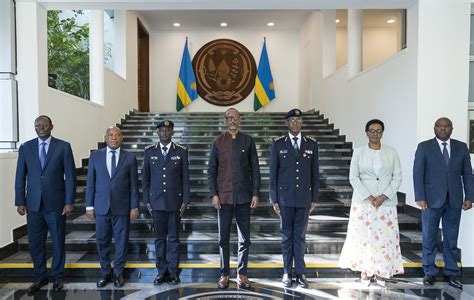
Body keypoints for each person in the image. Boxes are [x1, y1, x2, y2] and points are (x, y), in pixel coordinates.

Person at [338, 119, 404, 287]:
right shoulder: (358, 152)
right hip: (363, 203)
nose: (375, 133)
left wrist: (383, 196)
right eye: (372, 130)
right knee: (364, 237)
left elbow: (397, 177)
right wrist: (368, 196)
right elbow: (353, 177)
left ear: (383, 133)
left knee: (384, 238)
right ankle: (366, 271)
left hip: (386, 204)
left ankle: (381, 271)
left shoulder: (392, 152)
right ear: (366, 133)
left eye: (379, 130)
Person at [15, 115, 76, 293]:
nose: (41, 127)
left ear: (51, 126)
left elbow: (70, 176)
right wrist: (20, 200)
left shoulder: (63, 146)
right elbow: (20, 176)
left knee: (58, 241)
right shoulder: (26, 147)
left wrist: (69, 201)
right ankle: (40, 277)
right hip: (33, 205)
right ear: (35, 127)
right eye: (37, 125)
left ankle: (58, 277)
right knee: (35, 243)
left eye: (44, 124)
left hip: (56, 204)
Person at [413, 117, 473, 289]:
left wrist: (470, 196)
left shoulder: (461, 147)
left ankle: (452, 272)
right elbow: (418, 173)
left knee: (451, 239)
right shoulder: (424, 147)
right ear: (434, 128)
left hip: (454, 201)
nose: (442, 129)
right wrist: (420, 196)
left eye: (446, 126)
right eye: (439, 126)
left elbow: (468, 174)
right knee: (429, 237)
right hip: (430, 201)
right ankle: (429, 272)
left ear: (451, 129)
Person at [208, 108, 261, 289]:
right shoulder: (217, 142)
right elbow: (211, 171)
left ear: (240, 120)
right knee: (223, 238)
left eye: (235, 118)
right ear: (225, 121)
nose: (232, 120)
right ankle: (224, 274)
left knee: (244, 238)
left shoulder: (248, 141)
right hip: (223, 197)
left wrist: (255, 193)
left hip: (244, 196)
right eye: (229, 118)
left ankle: (242, 273)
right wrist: (214, 194)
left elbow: (255, 169)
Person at [269, 108, 319, 289]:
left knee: (300, 237)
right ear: (287, 123)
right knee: (285, 237)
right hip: (284, 199)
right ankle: (286, 272)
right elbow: (273, 174)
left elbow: (315, 174)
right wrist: (274, 199)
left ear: (302, 123)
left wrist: (314, 198)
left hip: (304, 199)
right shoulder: (278, 144)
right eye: (292, 121)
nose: (295, 124)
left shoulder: (311, 144)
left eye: (298, 121)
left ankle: (300, 273)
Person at [85, 127, 139, 288]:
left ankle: (118, 273)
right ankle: (105, 273)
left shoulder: (129, 157)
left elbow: (134, 186)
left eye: (117, 135)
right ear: (105, 137)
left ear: (121, 138)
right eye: (110, 135)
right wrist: (89, 206)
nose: (114, 138)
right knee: (102, 241)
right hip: (101, 207)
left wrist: (134, 206)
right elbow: (90, 183)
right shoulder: (95, 156)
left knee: (121, 241)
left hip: (122, 207)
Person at [142, 120, 190, 285]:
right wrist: (146, 200)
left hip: (174, 202)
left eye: (168, 130)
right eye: (162, 130)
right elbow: (145, 179)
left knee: (174, 239)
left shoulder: (182, 152)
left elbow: (185, 178)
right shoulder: (149, 152)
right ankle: (161, 272)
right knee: (159, 239)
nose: (165, 133)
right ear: (157, 133)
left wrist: (185, 200)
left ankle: (173, 272)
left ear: (172, 132)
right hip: (156, 203)